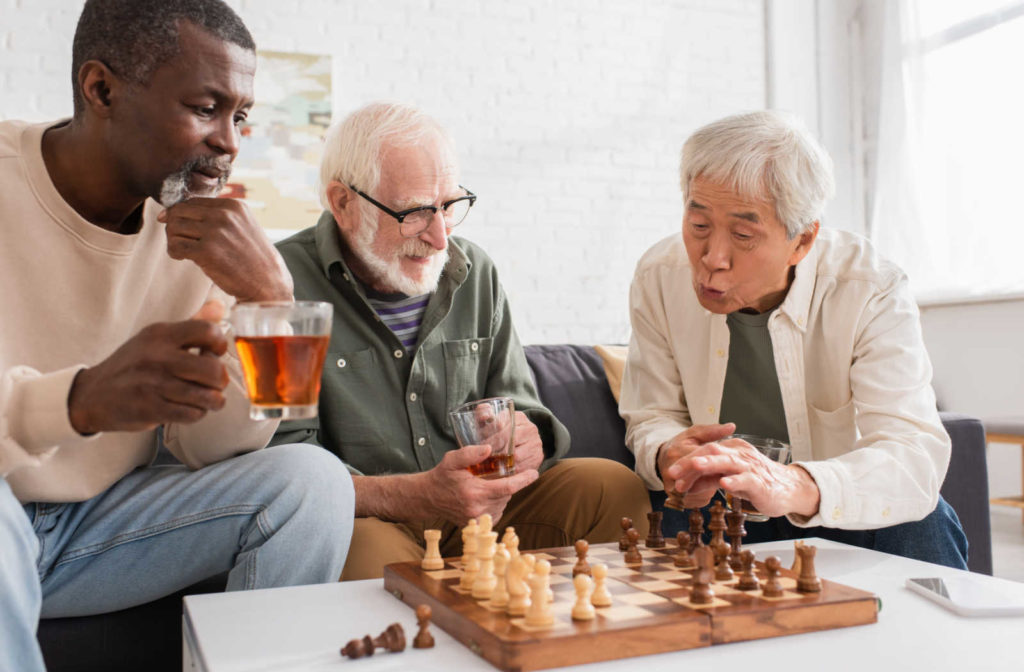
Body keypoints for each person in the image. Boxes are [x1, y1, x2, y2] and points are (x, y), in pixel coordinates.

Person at [0, 2, 355, 670]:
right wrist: (77, 402)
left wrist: (270, 301)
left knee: (316, 481)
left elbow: (206, 449)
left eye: (240, 115)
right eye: (205, 108)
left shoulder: (201, 232)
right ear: (101, 89)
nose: (230, 141)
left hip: (97, 529)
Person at [273, 101, 651, 579]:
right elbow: (288, 467)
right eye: (413, 213)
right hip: (372, 516)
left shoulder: (475, 271)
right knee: (366, 556)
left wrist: (528, 435)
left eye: (449, 206)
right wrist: (417, 494)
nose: (439, 237)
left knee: (612, 487)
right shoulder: (279, 285)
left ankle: (576, 644)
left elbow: (518, 401)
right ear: (344, 203)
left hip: (486, 509)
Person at [619, 110, 968, 568]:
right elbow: (652, 416)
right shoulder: (658, 275)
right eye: (698, 225)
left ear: (802, 241)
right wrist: (669, 451)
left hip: (837, 497)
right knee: (663, 538)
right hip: (717, 505)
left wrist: (794, 484)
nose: (712, 258)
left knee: (924, 521)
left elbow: (912, 454)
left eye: (743, 234)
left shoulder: (870, 287)